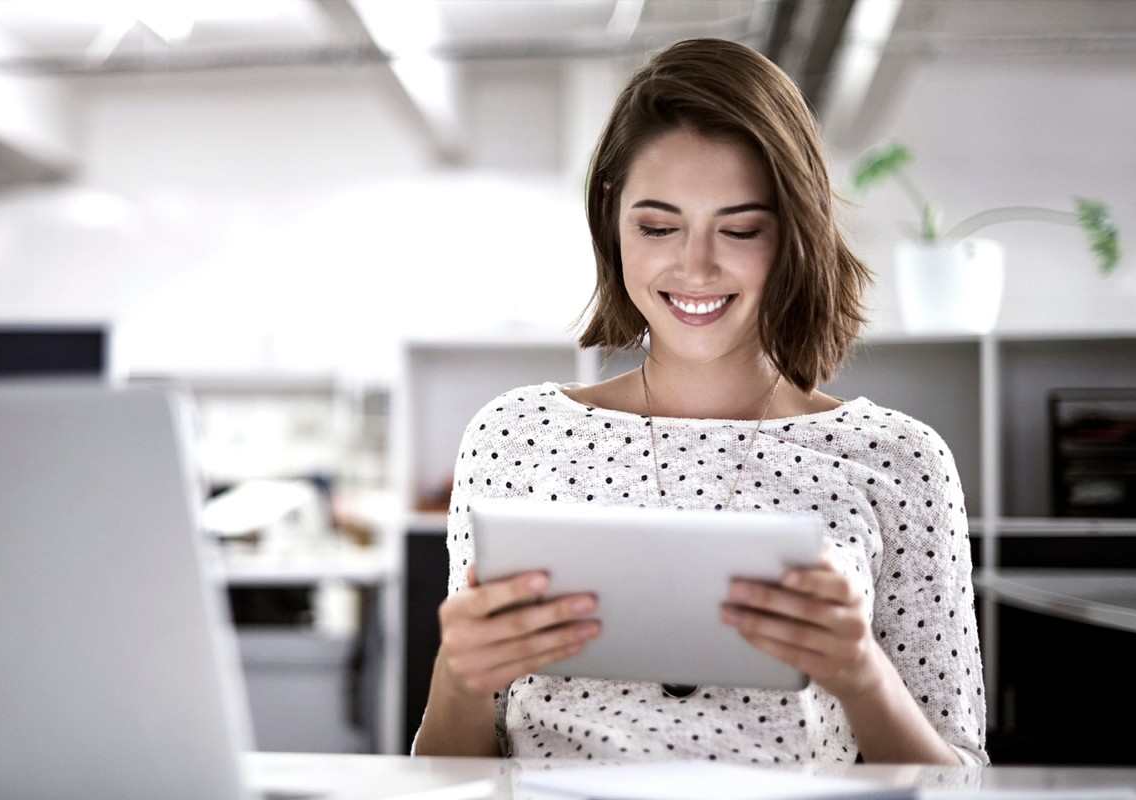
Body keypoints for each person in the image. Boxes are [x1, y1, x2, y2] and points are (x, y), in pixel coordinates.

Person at [413, 37, 987, 766]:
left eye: (740, 229)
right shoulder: (514, 435)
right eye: (658, 227)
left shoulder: (901, 459)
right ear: (611, 217)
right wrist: (459, 678)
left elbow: (959, 780)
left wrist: (861, 676)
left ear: (795, 232)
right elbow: (451, 773)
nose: (696, 267)